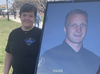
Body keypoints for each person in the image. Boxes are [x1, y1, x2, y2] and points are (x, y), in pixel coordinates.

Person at [37, 9, 100, 74]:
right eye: (73, 25)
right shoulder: (48, 57)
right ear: (65, 29)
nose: (78, 30)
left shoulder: (96, 61)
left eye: (82, 25)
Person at [4, 3, 41, 74]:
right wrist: (6, 72)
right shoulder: (13, 33)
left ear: (35, 17)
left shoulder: (40, 34)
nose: (27, 18)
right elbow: (9, 54)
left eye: (30, 16)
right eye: (24, 15)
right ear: (20, 16)